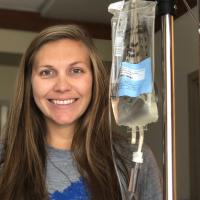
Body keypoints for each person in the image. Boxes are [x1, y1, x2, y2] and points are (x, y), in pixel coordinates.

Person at [0, 24, 162, 200]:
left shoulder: (133, 160)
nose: (62, 86)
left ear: (94, 79)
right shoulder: (4, 161)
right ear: (29, 84)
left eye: (76, 71)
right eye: (47, 72)